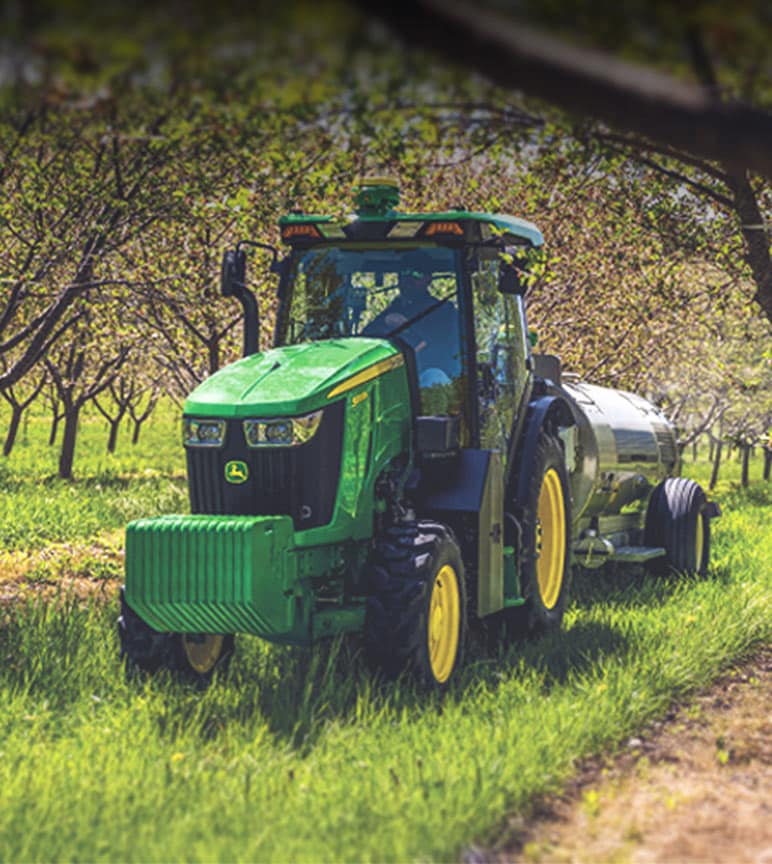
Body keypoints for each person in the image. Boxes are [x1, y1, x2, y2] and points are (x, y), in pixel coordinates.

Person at [363, 271, 461, 386]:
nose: (408, 280)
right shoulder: (396, 308)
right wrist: (384, 321)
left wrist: (407, 327)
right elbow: (366, 337)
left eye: (416, 274)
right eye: (404, 274)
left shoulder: (443, 311)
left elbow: (438, 347)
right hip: (394, 376)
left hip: (426, 377)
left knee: (434, 376)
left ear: (428, 279)